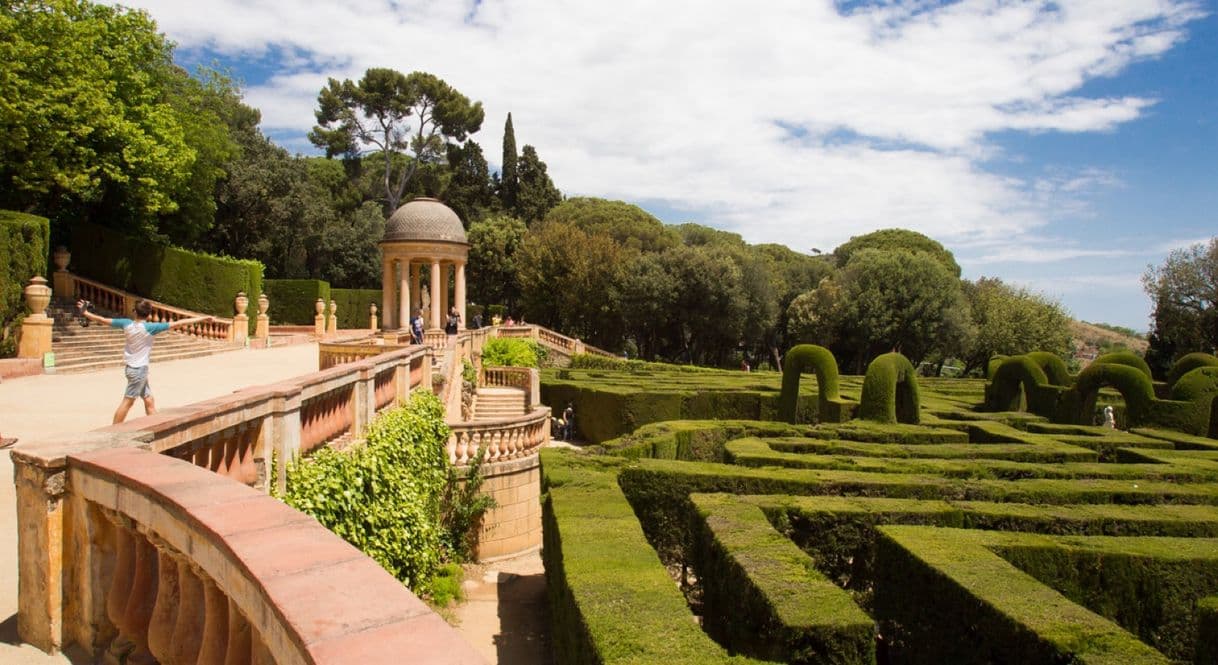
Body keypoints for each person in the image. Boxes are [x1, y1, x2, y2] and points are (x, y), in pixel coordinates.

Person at [77, 299, 213, 424]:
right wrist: (202, 318)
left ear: (134, 312)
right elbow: (178, 323)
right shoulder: (150, 328)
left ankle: (156, 425)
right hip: (139, 370)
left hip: (132, 369)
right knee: (128, 402)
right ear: (148, 315)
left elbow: (102, 319)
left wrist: (86, 312)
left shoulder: (126, 324)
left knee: (149, 399)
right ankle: (113, 431)